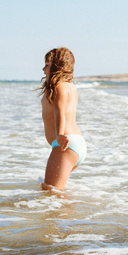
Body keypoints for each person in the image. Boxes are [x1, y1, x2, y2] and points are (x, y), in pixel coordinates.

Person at [39, 47, 86, 190]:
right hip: (75, 143)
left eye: (47, 65)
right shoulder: (70, 87)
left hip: (64, 144)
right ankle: (68, 212)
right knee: (55, 191)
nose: (43, 69)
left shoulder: (59, 87)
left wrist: (59, 135)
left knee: (51, 192)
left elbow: (60, 112)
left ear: (56, 67)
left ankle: (68, 212)